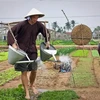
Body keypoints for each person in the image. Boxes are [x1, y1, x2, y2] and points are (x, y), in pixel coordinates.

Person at [7, 8, 50, 99]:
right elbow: (10, 33)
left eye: (37, 17)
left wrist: (47, 41)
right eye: (34, 17)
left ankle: (32, 85)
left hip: (32, 50)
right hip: (21, 51)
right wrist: (13, 44)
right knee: (24, 72)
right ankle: (27, 92)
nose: (36, 19)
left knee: (34, 70)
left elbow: (46, 33)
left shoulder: (39, 25)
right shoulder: (22, 25)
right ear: (30, 17)